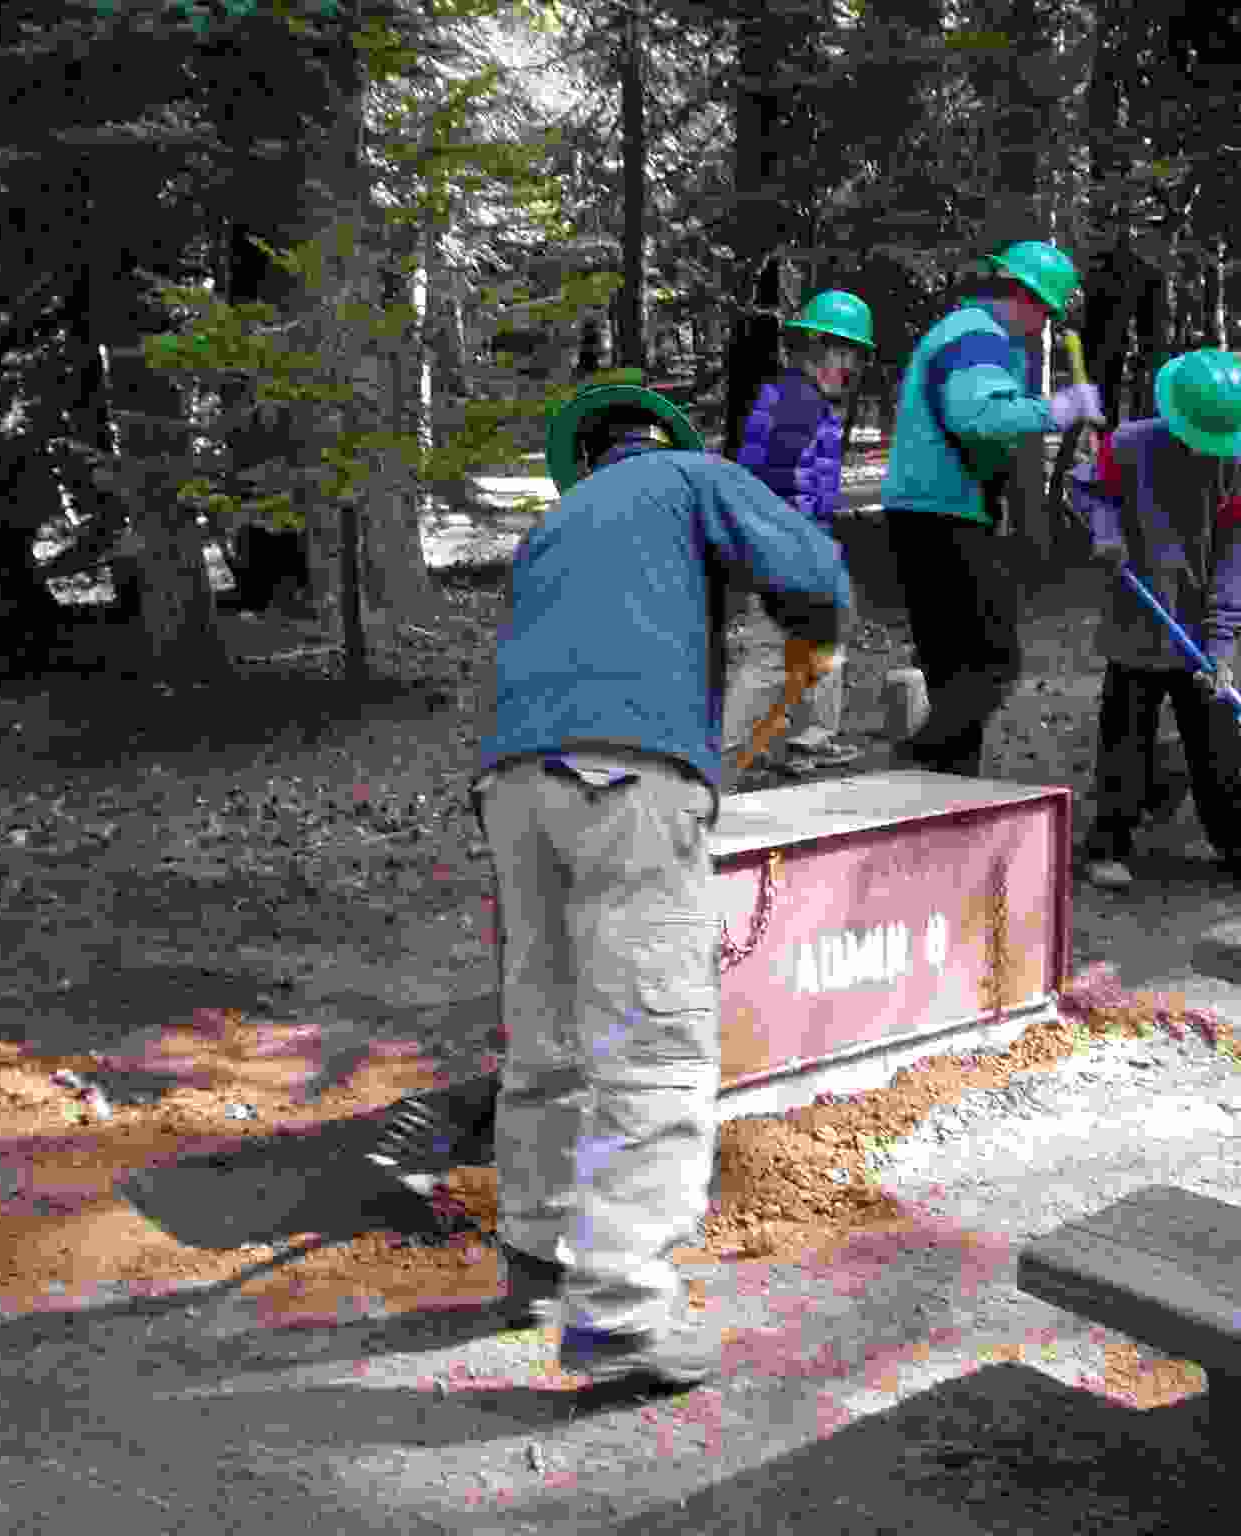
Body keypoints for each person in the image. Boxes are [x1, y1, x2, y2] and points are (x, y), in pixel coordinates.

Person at [467, 376, 851, 1391]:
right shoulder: (691, 478)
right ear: (659, 442)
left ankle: (536, 1257)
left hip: (514, 786)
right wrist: (816, 631)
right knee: (653, 1042)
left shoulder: (550, 533)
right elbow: (809, 564)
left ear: (584, 460)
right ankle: (621, 1312)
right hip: (626, 778)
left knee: (546, 1031)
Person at [879, 240, 1104, 776]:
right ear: (1025, 297)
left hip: (931, 511)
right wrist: (1060, 409)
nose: (1045, 325)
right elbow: (977, 415)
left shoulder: (969, 333)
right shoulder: (978, 336)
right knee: (993, 662)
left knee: (954, 671)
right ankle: (917, 760)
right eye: (1046, 312)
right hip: (941, 515)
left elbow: (988, 428)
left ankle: (948, 790)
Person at [1068, 348, 1241, 891]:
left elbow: (1236, 566)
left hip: (1200, 632)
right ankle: (1108, 845)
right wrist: (1106, 530)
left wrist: (1222, 645)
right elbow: (1087, 488)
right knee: (1125, 739)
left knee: (1218, 742)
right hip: (1136, 617)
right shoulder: (1128, 444)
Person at [734, 289, 876, 767]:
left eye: (856, 355)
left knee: (816, 642)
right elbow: (779, 481)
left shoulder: (792, 397)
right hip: (787, 544)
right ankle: (732, 749)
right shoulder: (800, 405)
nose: (852, 367)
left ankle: (804, 739)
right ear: (819, 350)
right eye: (847, 353)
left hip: (778, 541)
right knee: (772, 654)